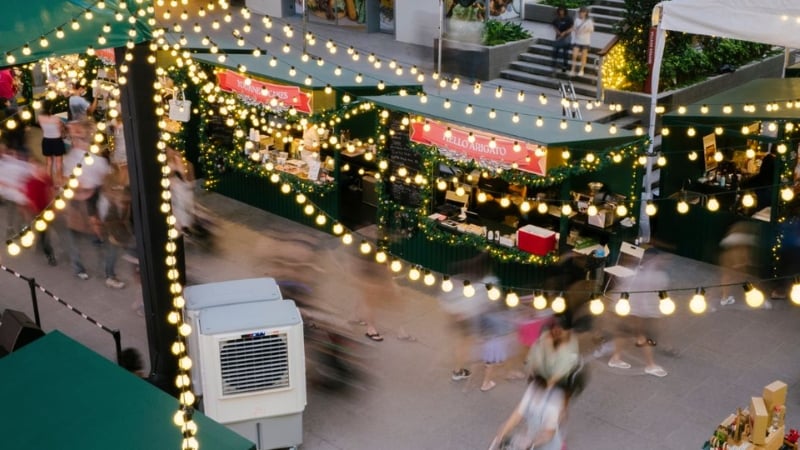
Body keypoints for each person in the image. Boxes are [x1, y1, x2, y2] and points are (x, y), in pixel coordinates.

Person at [489, 375, 565, 450]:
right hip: (532, 436)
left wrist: (531, 443)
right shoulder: (533, 387)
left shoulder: (554, 401)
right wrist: (505, 430)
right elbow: (519, 412)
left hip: (548, 445)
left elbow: (549, 433)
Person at [523, 311, 585, 401]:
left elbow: (556, 377)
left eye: (561, 328)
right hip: (541, 376)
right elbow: (533, 355)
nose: (556, 330)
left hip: (558, 382)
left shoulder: (569, 350)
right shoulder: (546, 337)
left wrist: (540, 395)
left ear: (568, 330)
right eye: (554, 326)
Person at [37, 99, 67, 184]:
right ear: (51, 108)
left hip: (46, 140)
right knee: (59, 163)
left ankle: (49, 182)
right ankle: (59, 180)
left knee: (49, 163)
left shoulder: (40, 117)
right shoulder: (56, 118)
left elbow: (42, 129)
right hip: (57, 140)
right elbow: (61, 130)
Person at [569, 7, 594, 76]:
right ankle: (572, 69)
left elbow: (591, 30)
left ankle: (581, 70)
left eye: (583, 12)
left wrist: (585, 30)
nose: (581, 14)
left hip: (585, 41)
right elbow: (574, 27)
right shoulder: (577, 20)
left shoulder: (589, 21)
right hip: (577, 40)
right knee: (574, 55)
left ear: (586, 13)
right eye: (580, 12)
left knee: (583, 56)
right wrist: (575, 30)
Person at [551, 6, 574, 72]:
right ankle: (554, 65)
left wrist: (565, 32)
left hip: (566, 37)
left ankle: (565, 65)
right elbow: (554, 26)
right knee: (555, 51)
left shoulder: (568, 19)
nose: (561, 12)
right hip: (558, 37)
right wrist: (557, 31)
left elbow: (572, 28)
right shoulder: (557, 19)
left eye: (562, 11)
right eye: (560, 10)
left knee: (565, 52)